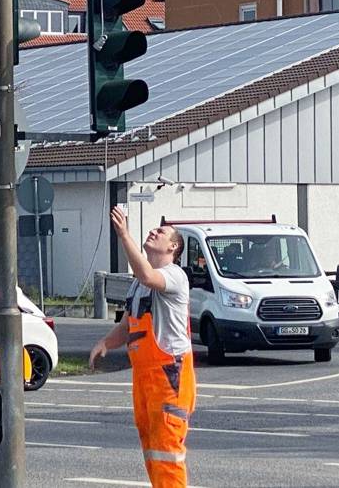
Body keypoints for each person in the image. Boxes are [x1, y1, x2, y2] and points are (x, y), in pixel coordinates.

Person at [90, 209, 196, 488]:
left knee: (167, 452)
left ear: (173, 247)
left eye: (160, 233)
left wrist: (124, 234)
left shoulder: (174, 276)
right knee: (152, 449)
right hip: (145, 377)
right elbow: (128, 326)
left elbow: (149, 276)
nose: (153, 232)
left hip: (169, 375)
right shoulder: (138, 283)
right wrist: (105, 343)